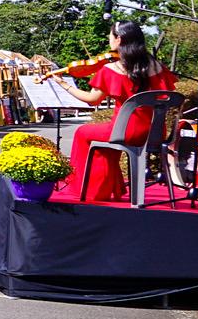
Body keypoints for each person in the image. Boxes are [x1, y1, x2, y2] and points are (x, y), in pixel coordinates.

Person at [57, 21, 178, 202]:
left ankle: (89, 190)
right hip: (155, 133)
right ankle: (109, 188)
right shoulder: (157, 66)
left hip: (126, 132)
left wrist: (64, 85)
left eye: (110, 36)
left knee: (83, 132)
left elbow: (92, 100)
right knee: (107, 135)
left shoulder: (113, 69)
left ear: (119, 39)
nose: (108, 39)